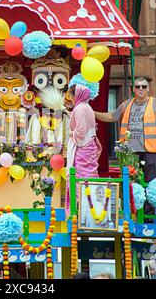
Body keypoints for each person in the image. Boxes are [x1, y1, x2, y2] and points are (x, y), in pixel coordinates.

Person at [94, 77, 156, 215]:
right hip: (130, 152)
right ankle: (132, 213)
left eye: (144, 86)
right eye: (138, 86)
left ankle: (148, 215)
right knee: (131, 182)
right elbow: (111, 116)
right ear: (133, 89)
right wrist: (92, 113)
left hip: (150, 150)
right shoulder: (127, 104)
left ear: (148, 89)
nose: (141, 89)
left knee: (149, 182)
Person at [66, 76, 101, 214]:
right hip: (90, 146)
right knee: (89, 177)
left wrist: (70, 134)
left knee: (79, 178)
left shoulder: (79, 109)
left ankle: (80, 210)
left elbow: (80, 132)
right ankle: (91, 208)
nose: (71, 98)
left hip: (82, 148)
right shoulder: (87, 107)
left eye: (72, 95)